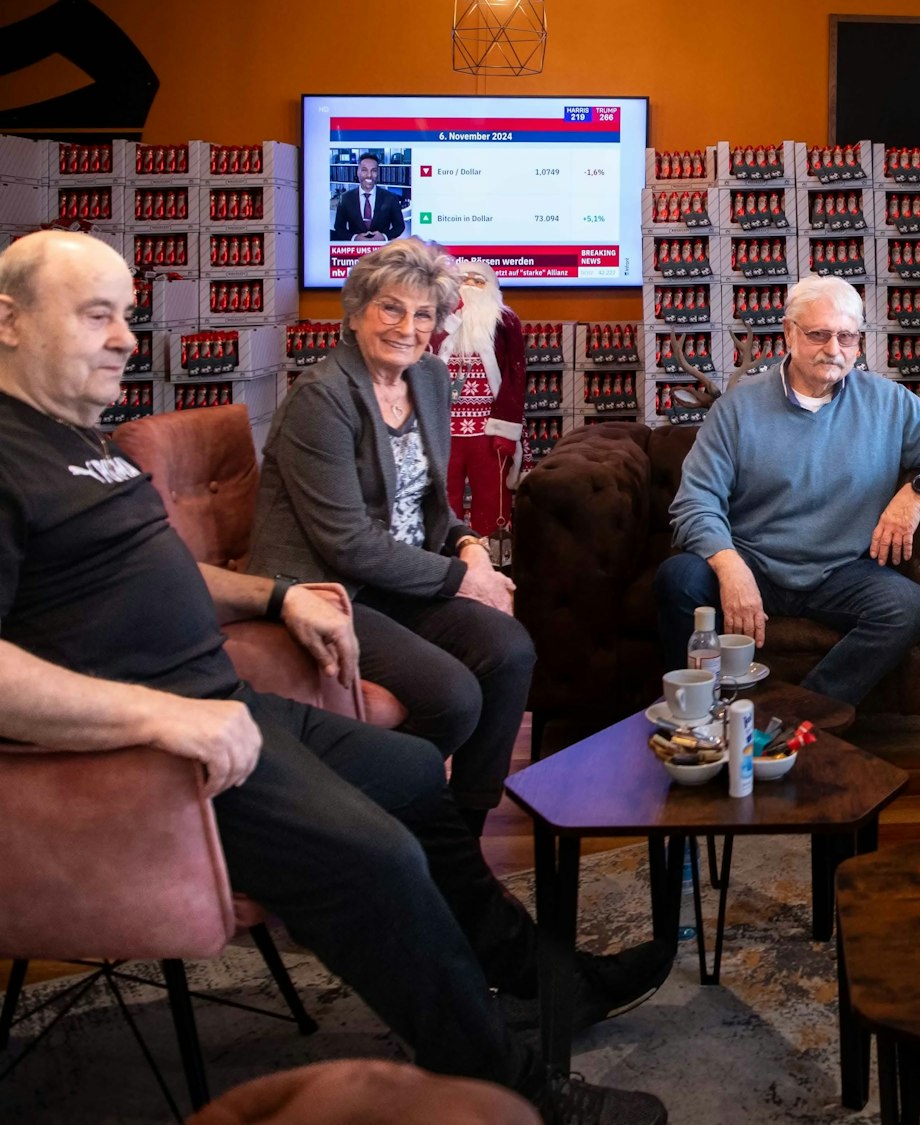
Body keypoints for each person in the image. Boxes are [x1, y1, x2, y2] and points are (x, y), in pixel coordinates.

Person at [0, 231, 666, 1124]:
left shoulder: (79, 443)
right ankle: (517, 1089)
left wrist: (276, 595)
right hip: (155, 750)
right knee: (380, 855)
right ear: (8, 320)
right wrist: (164, 717)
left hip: (225, 702)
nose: (127, 338)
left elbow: (165, 570)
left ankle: (543, 978)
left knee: (414, 784)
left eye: (128, 315)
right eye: (98, 316)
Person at [245, 238, 530, 835]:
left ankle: (459, 831)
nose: (408, 327)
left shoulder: (428, 378)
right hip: (329, 588)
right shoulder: (320, 398)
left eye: (424, 314)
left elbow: (430, 504)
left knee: (510, 650)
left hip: (402, 577)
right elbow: (347, 542)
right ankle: (356, 825)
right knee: (452, 696)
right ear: (356, 313)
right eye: (392, 309)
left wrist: (470, 545)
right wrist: (464, 578)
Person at [654, 274, 920, 704]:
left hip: (841, 572)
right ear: (789, 334)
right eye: (819, 335)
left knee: (909, 607)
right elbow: (695, 501)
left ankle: (807, 712)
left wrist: (917, 494)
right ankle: (695, 713)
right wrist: (729, 566)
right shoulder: (736, 408)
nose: (834, 349)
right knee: (678, 578)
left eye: (847, 336)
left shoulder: (887, 401)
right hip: (752, 560)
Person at [432, 259, 526, 539]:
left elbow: (515, 376)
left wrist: (507, 428)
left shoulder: (504, 321)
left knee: (493, 498)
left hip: (489, 430)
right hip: (444, 431)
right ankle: (445, 559)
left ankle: (495, 561)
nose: (470, 286)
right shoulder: (439, 320)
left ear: (491, 288)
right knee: (443, 499)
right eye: (464, 280)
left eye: (478, 281)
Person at [330, 154, 406, 242]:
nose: (369, 175)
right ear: (357, 172)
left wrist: (384, 237)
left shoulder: (391, 198)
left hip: (381, 251)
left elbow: (400, 226)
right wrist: (355, 238)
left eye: (374, 170)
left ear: (378, 173)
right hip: (355, 252)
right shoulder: (345, 198)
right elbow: (339, 228)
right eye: (364, 170)